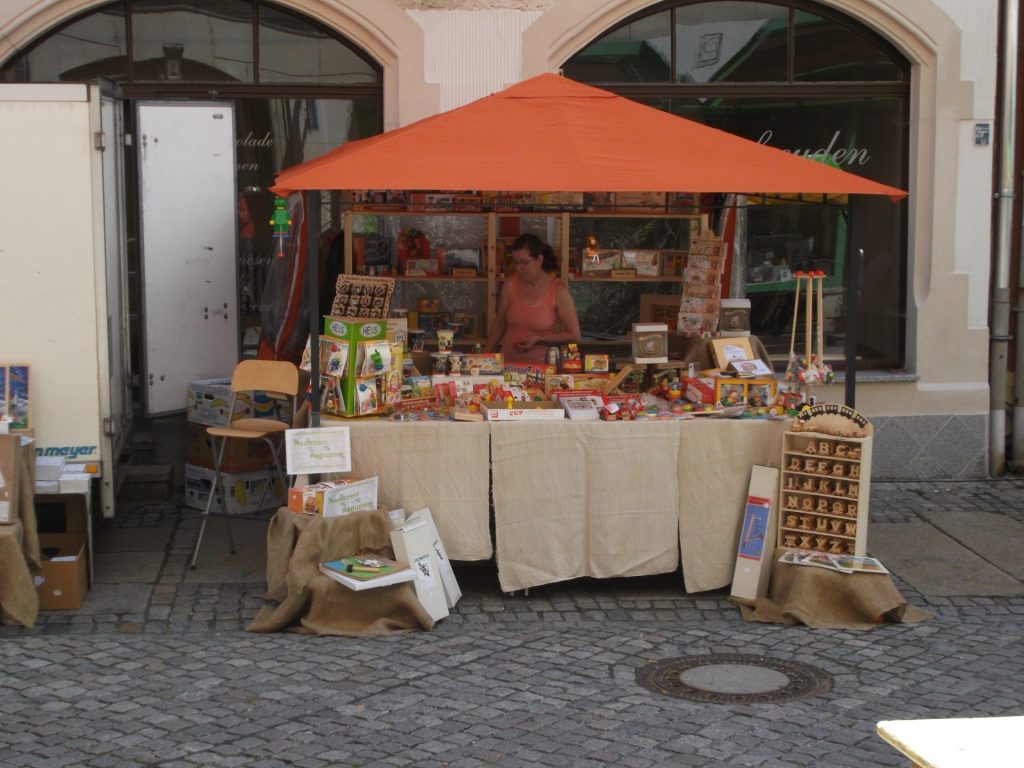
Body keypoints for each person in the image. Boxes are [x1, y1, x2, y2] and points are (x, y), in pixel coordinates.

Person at [484, 233, 581, 364]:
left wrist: (539, 338)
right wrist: (485, 357)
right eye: (515, 262)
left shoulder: (558, 290)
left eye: (524, 263)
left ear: (539, 260)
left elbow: (574, 335)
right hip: (508, 364)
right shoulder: (510, 283)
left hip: (542, 368)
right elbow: (500, 322)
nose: (518, 268)